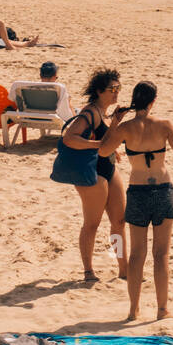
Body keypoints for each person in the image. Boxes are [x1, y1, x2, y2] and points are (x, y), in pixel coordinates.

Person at [99, 80, 173, 321]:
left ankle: (133, 310)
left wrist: (115, 123)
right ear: (153, 102)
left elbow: (103, 151)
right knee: (161, 255)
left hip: (137, 190)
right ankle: (162, 310)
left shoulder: (125, 128)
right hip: (162, 189)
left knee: (137, 254)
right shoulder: (164, 125)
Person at [51, 69, 128, 283]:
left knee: (119, 221)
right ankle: (88, 271)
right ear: (99, 91)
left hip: (108, 168)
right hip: (90, 171)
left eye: (118, 88)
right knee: (92, 224)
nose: (116, 93)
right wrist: (99, 145)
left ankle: (123, 268)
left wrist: (114, 126)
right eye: (112, 89)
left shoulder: (103, 113)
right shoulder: (90, 112)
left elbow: (104, 136)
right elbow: (70, 138)